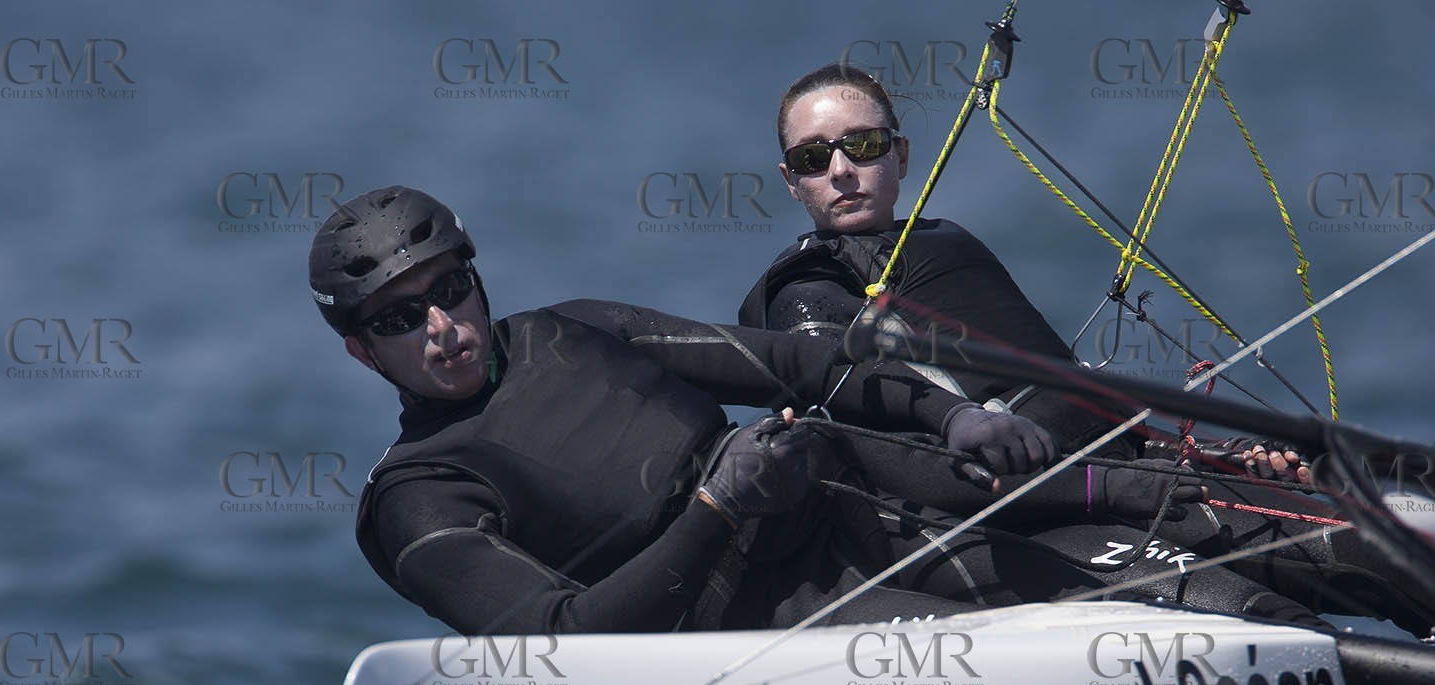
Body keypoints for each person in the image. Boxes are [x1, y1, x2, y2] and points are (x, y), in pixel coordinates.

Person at [307, 185, 1230, 637]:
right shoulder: (418, 496)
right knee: (1051, 639)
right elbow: (557, 642)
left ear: (475, 279)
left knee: (1143, 573)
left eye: (452, 289)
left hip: (847, 503)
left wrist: (952, 418)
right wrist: (717, 509)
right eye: (398, 317)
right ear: (360, 350)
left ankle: (1258, 538)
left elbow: (792, 360)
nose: (441, 327)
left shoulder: (569, 331)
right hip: (760, 629)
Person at [737, 63, 1435, 633]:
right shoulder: (807, 288)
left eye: (862, 145)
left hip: (1146, 474)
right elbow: (902, 436)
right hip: (1045, 522)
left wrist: (1207, 453)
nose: (841, 169)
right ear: (791, 180)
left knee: (1394, 546)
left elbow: (1070, 399)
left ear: (901, 154)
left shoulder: (942, 243)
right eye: (813, 156)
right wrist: (1120, 486)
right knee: (1274, 628)